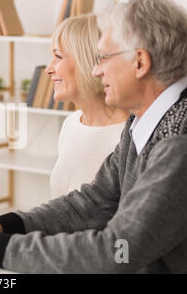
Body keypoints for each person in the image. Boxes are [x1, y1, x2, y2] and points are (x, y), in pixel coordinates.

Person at [0, 0, 187, 273]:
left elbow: (118, 250)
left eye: (102, 58)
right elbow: (91, 203)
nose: (96, 70)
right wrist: (2, 226)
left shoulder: (179, 145)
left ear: (139, 62)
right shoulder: (144, 122)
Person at [46, 13, 128, 199]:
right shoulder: (71, 124)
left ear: (88, 61)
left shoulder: (127, 135)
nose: (49, 69)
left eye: (58, 57)